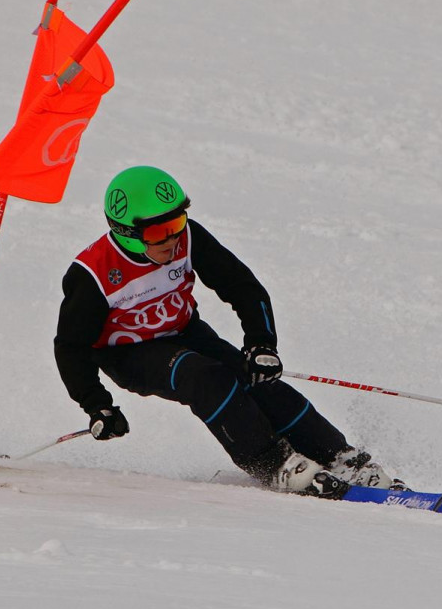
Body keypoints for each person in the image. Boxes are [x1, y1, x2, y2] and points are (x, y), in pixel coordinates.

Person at [53, 165, 404, 497]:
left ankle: (340, 457)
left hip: (185, 332)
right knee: (206, 378)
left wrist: (261, 345)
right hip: (128, 354)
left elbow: (243, 287)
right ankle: (273, 463)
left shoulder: (188, 238)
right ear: (127, 234)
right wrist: (98, 406)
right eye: (159, 231)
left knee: (254, 378)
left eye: (177, 220)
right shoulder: (93, 274)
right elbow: (70, 347)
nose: (173, 237)